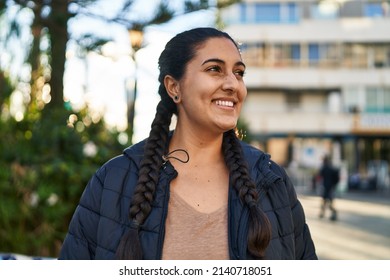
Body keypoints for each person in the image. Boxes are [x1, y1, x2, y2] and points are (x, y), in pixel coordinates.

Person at [59, 27, 317, 260]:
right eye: (214, 69)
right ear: (174, 87)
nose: (232, 84)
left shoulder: (272, 182)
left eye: (239, 73)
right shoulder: (114, 180)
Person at [318, 155, 339, 221]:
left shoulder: (324, 168)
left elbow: (320, 175)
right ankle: (331, 214)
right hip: (331, 187)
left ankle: (324, 213)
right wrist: (334, 184)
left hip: (326, 186)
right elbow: (336, 178)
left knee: (325, 201)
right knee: (329, 201)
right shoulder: (332, 168)